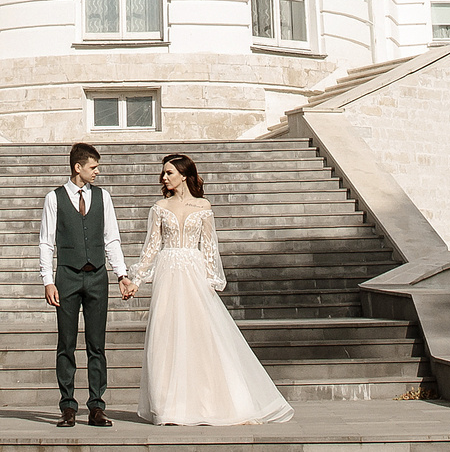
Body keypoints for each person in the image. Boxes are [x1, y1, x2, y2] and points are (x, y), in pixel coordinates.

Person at [124, 153, 293, 427]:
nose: (164, 177)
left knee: (200, 337)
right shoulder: (159, 207)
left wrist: (213, 281)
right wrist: (136, 280)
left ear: (184, 174)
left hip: (193, 273)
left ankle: (206, 403)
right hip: (167, 274)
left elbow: (210, 248)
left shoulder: (203, 206)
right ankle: (168, 407)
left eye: (169, 172)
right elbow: (151, 248)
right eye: (164, 173)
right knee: (165, 337)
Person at [38, 142, 127, 427]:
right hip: (67, 276)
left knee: (96, 345)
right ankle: (67, 406)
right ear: (78, 167)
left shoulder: (103, 197)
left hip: (97, 276)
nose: (97, 172)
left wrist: (121, 274)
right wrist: (48, 281)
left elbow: (111, 237)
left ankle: (97, 406)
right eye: (93, 167)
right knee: (66, 343)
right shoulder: (54, 198)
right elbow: (46, 242)